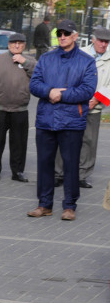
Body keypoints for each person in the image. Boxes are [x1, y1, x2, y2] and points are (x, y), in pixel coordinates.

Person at [28, 19, 97, 221]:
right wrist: (50, 91)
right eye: (59, 33)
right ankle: (44, 204)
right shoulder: (46, 58)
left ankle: (69, 205)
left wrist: (62, 95)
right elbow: (34, 84)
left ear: (75, 36)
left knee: (70, 164)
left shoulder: (86, 61)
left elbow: (87, 90)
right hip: (46, 119)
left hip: (72, 120)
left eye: (67, 33)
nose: (62, 37)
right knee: (44, 163)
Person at [55, 25, 110, 189]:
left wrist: (96, 101)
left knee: (89, 142)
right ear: (93, 40)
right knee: (64, 139)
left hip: (95, 107)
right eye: (101, 41)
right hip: (73, 105)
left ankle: (81, 175)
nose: (104, 44)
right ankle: (59, 173)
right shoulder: (79, 54)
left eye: (107, 42)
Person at [0, 32, 35, 183]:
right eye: (14, 43)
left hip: (20, 109)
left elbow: (40, 75)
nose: (17, 46)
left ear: (24, 45)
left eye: (20, 43)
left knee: (19, 143)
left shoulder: (30, 61)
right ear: (8, 44)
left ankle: (17, 171)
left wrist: (26, 63)